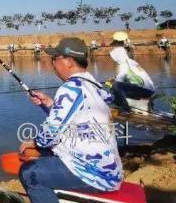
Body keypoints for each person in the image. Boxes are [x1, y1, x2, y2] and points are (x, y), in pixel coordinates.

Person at [18, 38, 123, 203]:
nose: (53, 64)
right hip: (109, 171)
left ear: (69, 61)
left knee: (29, 173)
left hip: (95, 174)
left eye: (55, 59)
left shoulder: (71, 88)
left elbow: (49, 135)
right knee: (44, 154)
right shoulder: (93, 85)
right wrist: (49, 103)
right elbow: (77, 117)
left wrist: (36, 142)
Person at [110, 32, 155, 112]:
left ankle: (124, 108)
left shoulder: (123, 64)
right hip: (150, 90)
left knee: (115, 86)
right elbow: (126, 76)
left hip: (144, 90)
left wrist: (114, 80)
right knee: (119, 85)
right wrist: (115, 78)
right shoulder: (131, 62)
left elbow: (120, 79)